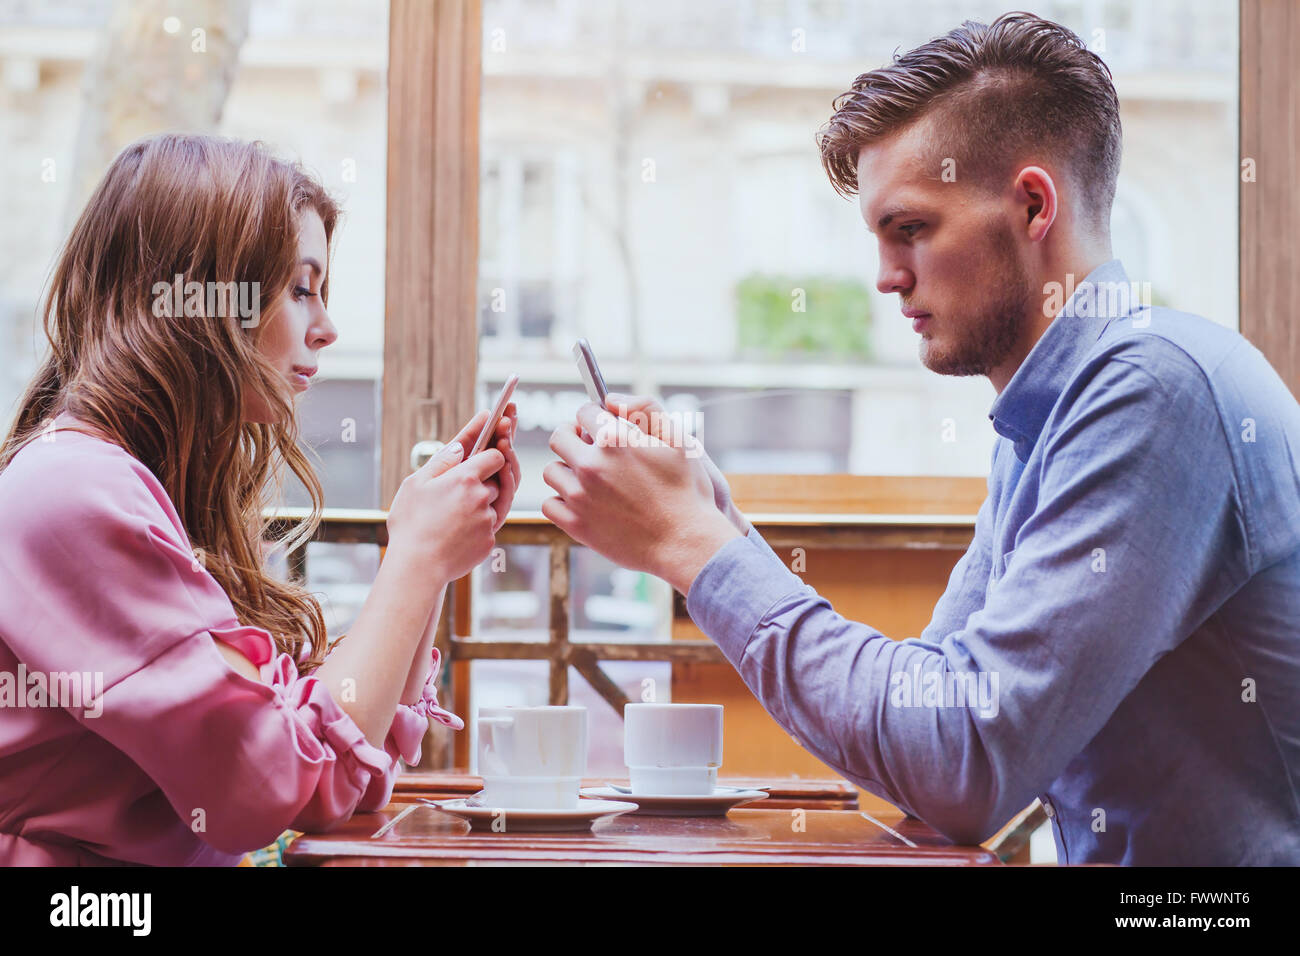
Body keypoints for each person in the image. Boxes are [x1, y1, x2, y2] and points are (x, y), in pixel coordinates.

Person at [541, 13, 1300, 865]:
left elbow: (962, 762)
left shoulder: (1154, 393)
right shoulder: (1045, 421)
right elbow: (929, 713)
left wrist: (693, 545)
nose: (885, 276)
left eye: (911, 228)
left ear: (1033, 206)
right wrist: (713, 516)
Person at [0, 132, 520, 865]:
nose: (326, 327)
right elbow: (276, 782)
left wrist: (426, 558)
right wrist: (416, 559)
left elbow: (341, 772)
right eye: (301, 289)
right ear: (200, 298)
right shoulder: (71, 492)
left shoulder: (124, 483)